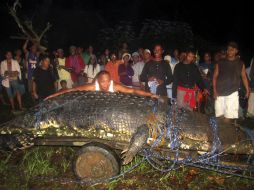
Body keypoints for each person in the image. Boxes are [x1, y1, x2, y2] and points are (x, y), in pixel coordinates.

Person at [46, 71, 159, 100]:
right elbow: (72, 89)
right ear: (97, 81)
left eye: (108, 81)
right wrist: (53, 95)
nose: (106, 84)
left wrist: (150, 94)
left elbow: (133, 91)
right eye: (103, 81)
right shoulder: (92, 86)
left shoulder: (114, 85)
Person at [213, 42, 249, 120]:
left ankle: (226, 131)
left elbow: (244, 77)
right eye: (228, 49)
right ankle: (220, 131)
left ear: (236, 51)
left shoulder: (240, 63)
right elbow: (215, 77)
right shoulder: (220, 62)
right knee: (219, 115)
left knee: (228, 117)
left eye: (232, 50)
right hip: (220, 92)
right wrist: (215, 90)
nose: (229, 51)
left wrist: (247, 90)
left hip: (232, 93)